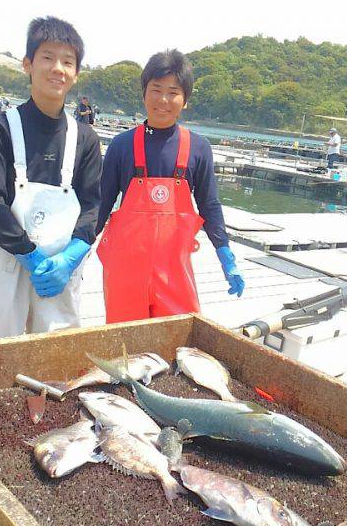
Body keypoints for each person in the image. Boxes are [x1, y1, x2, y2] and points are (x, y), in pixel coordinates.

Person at [0, 16, 102, 341]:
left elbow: (93, 205)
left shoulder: (85, 139)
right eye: (47, 57)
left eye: (68, 61)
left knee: (56, 355)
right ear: (28, 64)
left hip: (59, 264)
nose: (58, 68)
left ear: (76, 73)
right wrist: (29, 253)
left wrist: (71, 257)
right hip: (3, 256)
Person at [96, 49, 245, 324]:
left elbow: (209, 205)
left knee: (177, 345)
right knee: (123, 347)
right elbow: (100, 204)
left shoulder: (198, 148)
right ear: (144, 93)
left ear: (185, 100)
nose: (163, 100)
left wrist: (225, 252)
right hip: (125, 273)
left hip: (174, 273)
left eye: (173, 92)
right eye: (156, 89)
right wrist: (77, 249)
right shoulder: (121, 145)